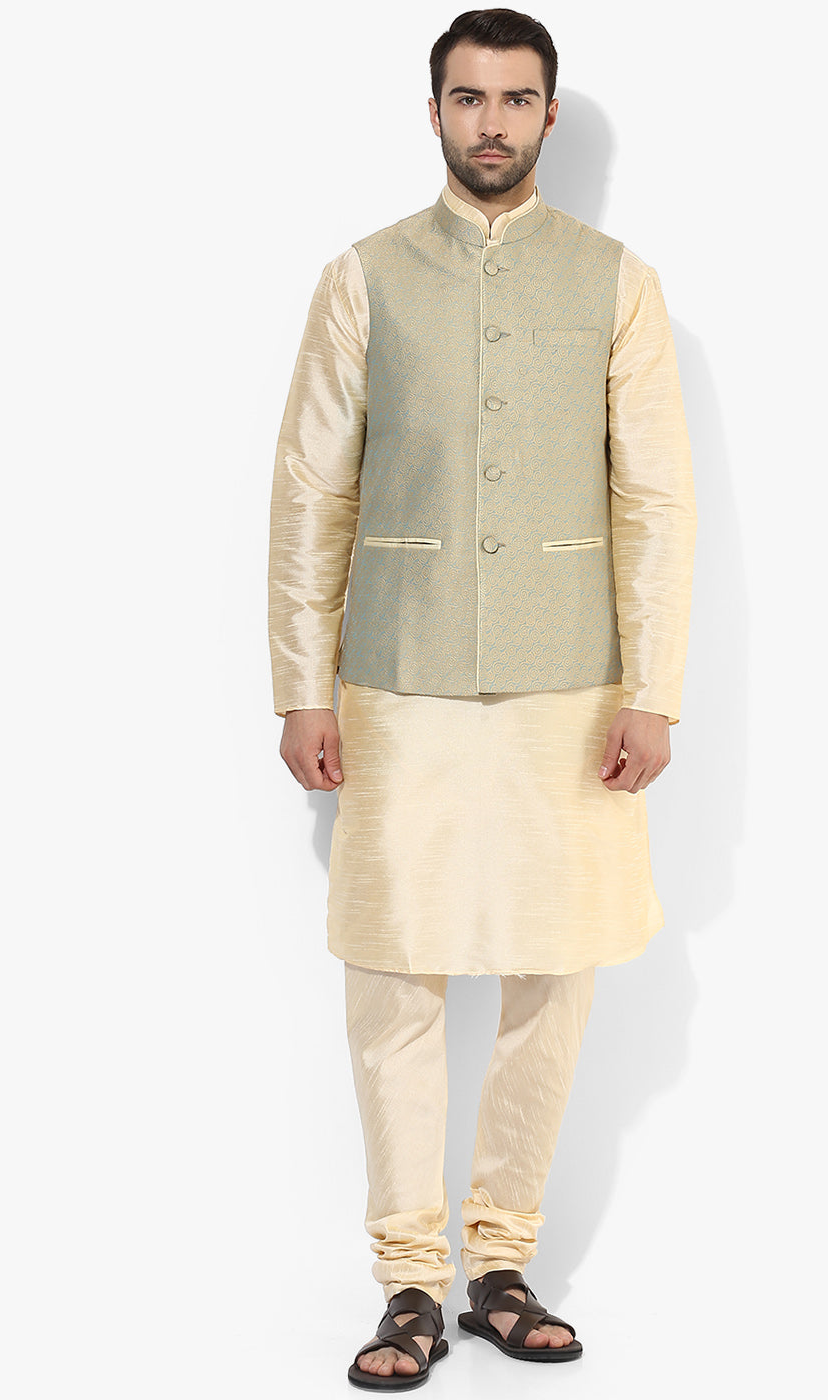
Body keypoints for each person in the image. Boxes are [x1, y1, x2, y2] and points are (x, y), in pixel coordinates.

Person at [267, 8, 696, 1388]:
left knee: (551, 974)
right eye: (469, 98)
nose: (492, 122)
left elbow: (655, 497)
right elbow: (311, 492)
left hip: (573, 685)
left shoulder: (616, 280)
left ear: (549, 115)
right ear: (435, 111)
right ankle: (407, 1281)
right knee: (392, 974)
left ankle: (500, 1263)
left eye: (516, 99)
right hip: (398, 681)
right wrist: (300, 686)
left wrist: (656, 690)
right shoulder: (364, 277)